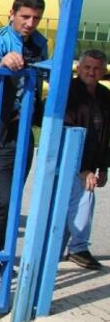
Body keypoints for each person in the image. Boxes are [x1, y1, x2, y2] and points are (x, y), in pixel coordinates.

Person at [0, 0, 48, 268]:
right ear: (12, 15)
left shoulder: (40, 44)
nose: (29, 23)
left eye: (35, 18)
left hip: (21, 127)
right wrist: (1, 63)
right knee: (1, 196)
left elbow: (42, 77)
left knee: (9, 194)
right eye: (25, 16)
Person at [62, 49, 110, 270]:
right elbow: (67, 130)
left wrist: (103, 167)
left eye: (96, 68)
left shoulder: (104, 95)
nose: (92, 72)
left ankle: (62, 249)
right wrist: (81, 169)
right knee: (80, 201)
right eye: (87, 67)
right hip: (68, 160)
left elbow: (106, 134)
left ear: (103, 71)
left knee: (75, 203)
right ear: (78, 68)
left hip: (91, 161)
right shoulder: (68, 91)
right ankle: (78, 248)